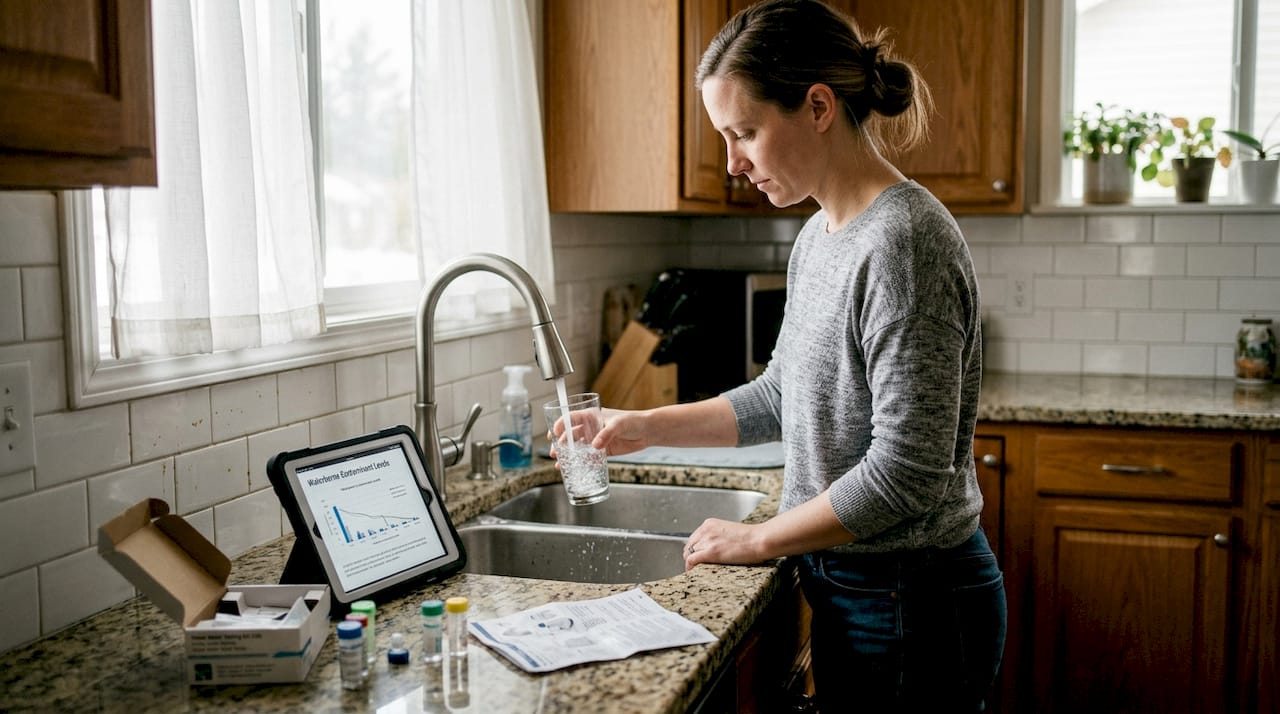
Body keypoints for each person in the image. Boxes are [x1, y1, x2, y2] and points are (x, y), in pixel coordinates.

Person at [575, 0, 1006, 710]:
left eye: (745, 131)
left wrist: (761, 539)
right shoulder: (820, 235)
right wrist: (642, 425)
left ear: (816, 106)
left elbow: (909, 474)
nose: (734, 162)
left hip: (910, 598)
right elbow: (781, 395)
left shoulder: (903, 243)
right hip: (859, 586)